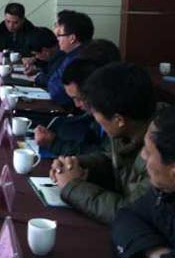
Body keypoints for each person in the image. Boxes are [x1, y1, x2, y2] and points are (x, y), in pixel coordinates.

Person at [50, 62, 156, 224]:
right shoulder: (129, 127)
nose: (95, 119)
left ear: (119, 120)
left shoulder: (161, 151)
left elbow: (130, 213)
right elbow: (113, 162)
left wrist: (73, 186)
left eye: (96, 114)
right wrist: (78, 165)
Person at [112, 104, 175, 258]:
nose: (143, 156)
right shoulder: (170, 189)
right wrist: (153, 251)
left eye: (148, 151)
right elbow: (126, 215)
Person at [34, 58, 107, 156]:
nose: (77, 105)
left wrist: (54, 143)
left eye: (79, 99)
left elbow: (103, 157)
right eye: (73, 99)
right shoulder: (92, 116)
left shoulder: (110, 118)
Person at [47, 10, 94, 108]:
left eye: (60, 35)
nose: (57, 39)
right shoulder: (71, 54)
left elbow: (57, 92)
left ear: (72, 38)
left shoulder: (78, 59)